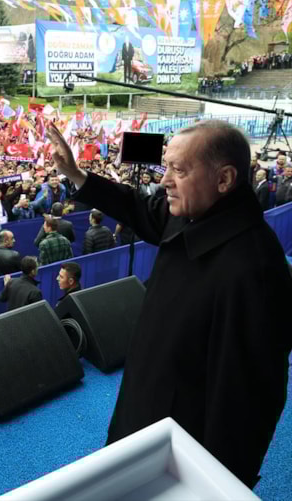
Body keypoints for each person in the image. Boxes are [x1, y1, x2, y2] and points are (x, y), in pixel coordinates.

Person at [47, 118, 292, 487]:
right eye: (166, 167)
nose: (164, 180)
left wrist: (216, 484)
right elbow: (139, 207)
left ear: (224, 179)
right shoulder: (194, 210)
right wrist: (76, 174)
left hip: (182, 440)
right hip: (147, 400)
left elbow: (248, 400)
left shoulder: (255, 270)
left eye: (179, 170)